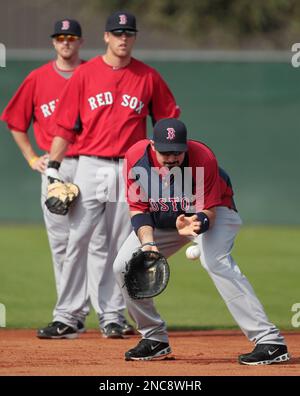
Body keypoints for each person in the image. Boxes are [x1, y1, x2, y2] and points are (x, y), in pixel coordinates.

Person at [38, 11, 181, 339]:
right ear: (105, 37)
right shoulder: (85, 74)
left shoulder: (148, 77)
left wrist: (166, 169)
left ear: (134, 37)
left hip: (132, 168)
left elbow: (167, 125)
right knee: (78, 239)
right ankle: (67, 315)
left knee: (121, 245)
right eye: (117, 32)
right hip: (90, 163)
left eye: (128, 32)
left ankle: (113, 316)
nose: (123, 38)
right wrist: (54, 169)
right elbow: (64, 125)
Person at [113, 117, 290, 365]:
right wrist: (149, 245)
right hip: (166, 218)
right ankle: (154, 339)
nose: (173, 157)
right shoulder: (136, 157)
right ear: (153, 146)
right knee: (123, 266)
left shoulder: (203, 157)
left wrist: (196, 223)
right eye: (166, 152)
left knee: (214, 260)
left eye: (178, 152)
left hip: (214, 212)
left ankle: (269, 341)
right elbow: (138, 210)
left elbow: (209, 212)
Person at [1, 19, 133, 338]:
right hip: (59, 167)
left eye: (71, 38)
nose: (66, 43)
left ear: (81, 42)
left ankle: (108, 313)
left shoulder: (94, 73)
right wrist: (34, 158)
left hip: (89, 162)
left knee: (100, 242)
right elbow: (15, 121)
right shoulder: (38, 78)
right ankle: (71, 315)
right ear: (53, 43)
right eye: (60, 38)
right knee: (63, 241)